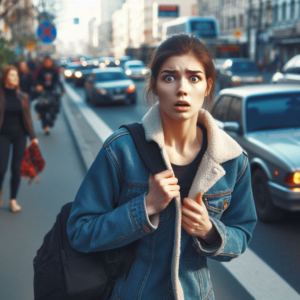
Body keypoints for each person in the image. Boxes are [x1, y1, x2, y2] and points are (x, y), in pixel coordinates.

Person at [67, 34, 257, 300]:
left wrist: (210, 231)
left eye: (194, 78)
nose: (182, 88)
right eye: (169, 77)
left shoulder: (233, 159)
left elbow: (242, 232)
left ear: (208, 85)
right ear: (154, 86)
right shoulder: (121, 149)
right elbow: (80, 230)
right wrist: (144, 208)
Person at [0, 66, 38, 213]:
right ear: (5, 78)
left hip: (20, 135)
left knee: (16, 168)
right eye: (12, 75)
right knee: (1, 168)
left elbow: (27, 118)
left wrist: (33, 137)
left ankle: (12, 200)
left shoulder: (23, 97)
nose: (16, 78)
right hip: (3, 135)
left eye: (16, 75)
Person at [33, 56, 64, 135]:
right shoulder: (39, 69)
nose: (47, 63)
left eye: (49, 62)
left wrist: (62, 90)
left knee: (55, 108)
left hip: (53, 92)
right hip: (42, 92)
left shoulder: (54, 70)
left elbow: (58, 80)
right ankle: (45, 126)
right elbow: (34, 79)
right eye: (46, 62)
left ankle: (50, 122)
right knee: (43, 108)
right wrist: (37, 86)